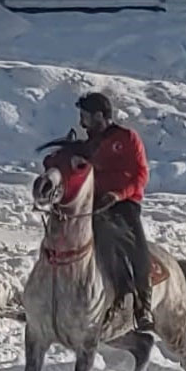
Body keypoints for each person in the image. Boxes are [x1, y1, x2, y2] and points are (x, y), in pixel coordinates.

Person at [75, 92, 155, 332]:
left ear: (100, 116)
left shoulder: (127, 137)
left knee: (136, 247)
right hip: (92, 203)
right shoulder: (86, 146)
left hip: (123, 202)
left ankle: (141, 302)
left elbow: (141, 174)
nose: (82, 121)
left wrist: (118, 194)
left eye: (85, 116)